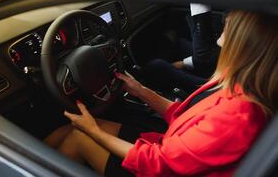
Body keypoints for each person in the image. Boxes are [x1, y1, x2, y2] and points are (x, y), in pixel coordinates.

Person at [45, 10, 277, 176]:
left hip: (163, 166)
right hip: (169, 146)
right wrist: (141, 91)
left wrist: (94, 131)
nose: (226, 18)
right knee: (69, 128)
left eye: (232, 21)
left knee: (79, 136)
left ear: (244, 43)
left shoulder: (240, 116)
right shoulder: (237, 87)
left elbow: (158, 163)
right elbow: (183, 115)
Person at [143, 4, 221, 94]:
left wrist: (183, 64)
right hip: (220, 66)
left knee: (155, 66)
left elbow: (204, 57)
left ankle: (152, 79)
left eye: (226, 28)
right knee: (179, 43)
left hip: (215, 86)